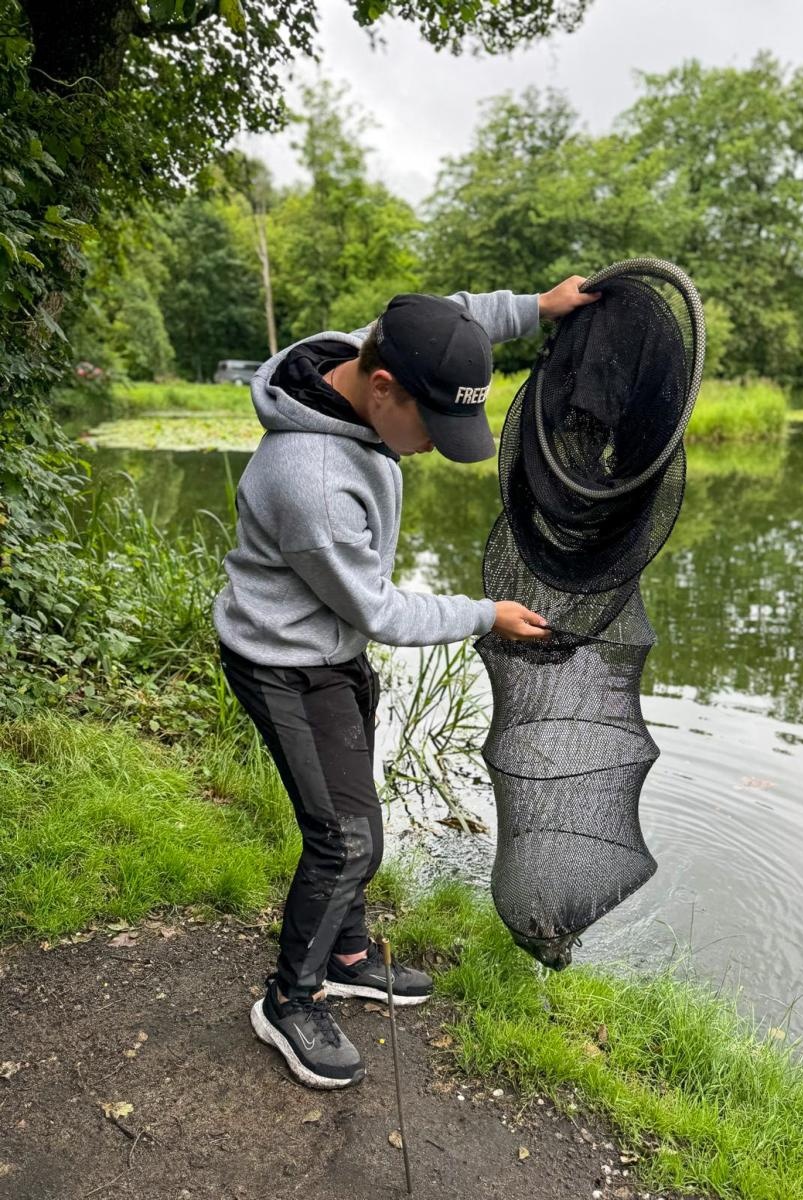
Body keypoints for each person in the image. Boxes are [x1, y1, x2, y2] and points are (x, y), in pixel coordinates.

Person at [214, 278, 600, 1089]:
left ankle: (349, 955)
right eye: (433, 425)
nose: (434, 444)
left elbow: (454, 314)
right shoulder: (310, 482)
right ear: (383, 388)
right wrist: (483, 613)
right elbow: (380, 609)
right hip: (285, 662)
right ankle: (290, 999)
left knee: (357, 825)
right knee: (346, 839)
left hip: (330, 648)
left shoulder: (371, 353)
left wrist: (539, 306)